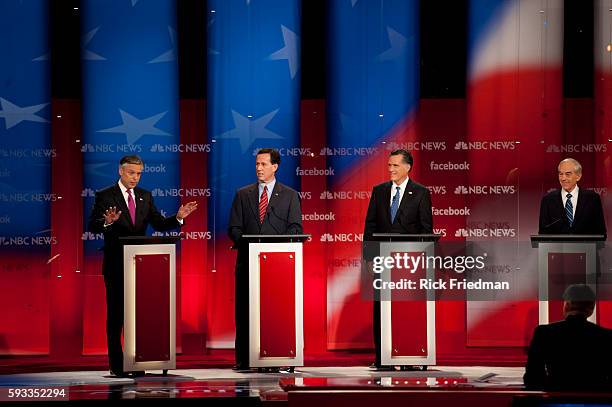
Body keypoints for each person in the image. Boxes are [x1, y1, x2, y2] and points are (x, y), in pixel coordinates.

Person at [88, 155, 197, 377]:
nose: (135, 178)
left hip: (141, 266)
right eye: (131, 173)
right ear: (120, 171)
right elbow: (93, 225)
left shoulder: (144, 196)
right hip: (116, 265)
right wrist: (107, 222)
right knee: (117, 316)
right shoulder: (105, 195)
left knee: (138, 316)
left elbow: (158, 223)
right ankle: (117, 365)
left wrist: (177, 218)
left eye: (138, 174)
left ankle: (137, 361)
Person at [228, 148, 303, 371]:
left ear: (275, 166)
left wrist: (272, 249)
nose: (259, 168)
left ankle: (278, 355)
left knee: (276, 312)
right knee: (244, 313)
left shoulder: (290, 195)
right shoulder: (243, 194)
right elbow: (234, 228)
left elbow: (296, 228)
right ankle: (243, 360)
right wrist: (250, 246)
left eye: (263, 164)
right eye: (257, 164)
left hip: (277, 267)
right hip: (247, 264)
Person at [363, 149, 433, 370]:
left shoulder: (420, 192)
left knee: (408, 309)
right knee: (380, 308)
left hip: (409, 263)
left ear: (407, 167)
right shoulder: (379, 191)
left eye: (395, 165)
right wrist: (370, 256)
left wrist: (422, 260)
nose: (390, 169)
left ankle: (411, 354)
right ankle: (382, 356)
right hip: (383, 261)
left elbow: (426, 229)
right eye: (389, 165)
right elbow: (370, 226)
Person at [524, 284, 612, 390]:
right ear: (591, 308)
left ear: (567, 305)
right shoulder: (607, 336)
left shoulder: (544, 332)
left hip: (555, 399)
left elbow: (532, 377)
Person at [538, 158, 606, 238]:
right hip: (557, 249)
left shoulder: (592, 199)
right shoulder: (548, 200)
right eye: (560, 174)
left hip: (586, 249)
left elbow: (601, 232)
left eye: (568, 174)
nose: (563, 178)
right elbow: (543, 233)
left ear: (578, 176)